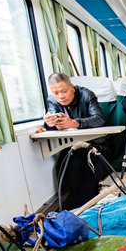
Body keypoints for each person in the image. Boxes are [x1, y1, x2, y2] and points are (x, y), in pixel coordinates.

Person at [43, 72, 108, 210]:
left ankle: (85, 208)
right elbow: (53, 123)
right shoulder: (52, 101)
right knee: (68, 171)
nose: (61, 96)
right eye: (56, 93)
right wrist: (50, 123)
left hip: (97, 145)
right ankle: (74, 208)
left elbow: (99, 119)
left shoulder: (86, 95)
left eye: (64, 91)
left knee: (90, 174)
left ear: (72, 88)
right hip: (72, 148)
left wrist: (75, 123)